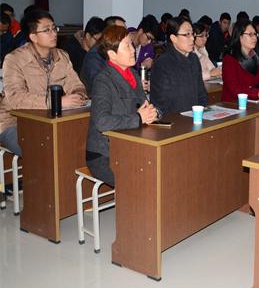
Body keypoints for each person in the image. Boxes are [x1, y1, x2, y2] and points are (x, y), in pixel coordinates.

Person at [0, 11, 88, 156]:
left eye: (54, 28)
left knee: (78, 143)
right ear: (33, 36)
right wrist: (56, 102)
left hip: (50, 120)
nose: (54, 34)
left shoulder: (62, 56)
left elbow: (76, 84)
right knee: (42, 152)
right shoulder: (14, 59)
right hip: (14, 122)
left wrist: (78, 95)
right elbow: (16, 98)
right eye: (47, 30)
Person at [86, 26, 157, 187]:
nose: (132, 50)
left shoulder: (133, 74)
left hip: (130, 145)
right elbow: (102, 121)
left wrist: (153, 112)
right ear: (112, 54)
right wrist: (138, 118)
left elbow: (143, 107)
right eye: (127, 46)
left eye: (131, 44)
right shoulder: (103, 80)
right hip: (104, 153)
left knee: (161, 166)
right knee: (146, 177)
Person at [150, 16, 208, 117]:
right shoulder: (162, 64)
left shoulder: (193, 58)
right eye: (187, 34)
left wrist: (200, 112)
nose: (192, 38)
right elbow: (160, 103)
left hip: (195, 117)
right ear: (173, 38)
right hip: (174, 120)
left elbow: (201, 93)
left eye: (192, 34)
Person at [221, 19, 259, 102]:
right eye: (250, 34)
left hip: (252, 102)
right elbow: (234, 89)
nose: (255, 38)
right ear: (240, 36)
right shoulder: (230, 59)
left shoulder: (254, 57)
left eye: (255, 34)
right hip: (232, 104)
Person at [81, 16, 126, 95]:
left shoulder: (118, 51)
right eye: (120, 31)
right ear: (108, 33)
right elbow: (101, 87)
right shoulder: (94, 56)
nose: (125, 35)